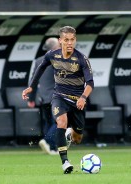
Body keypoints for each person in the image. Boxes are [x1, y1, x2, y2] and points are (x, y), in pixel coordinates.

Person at [22, 26, 94, 174]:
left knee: (78, 138)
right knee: (61, 122)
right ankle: (65, 162)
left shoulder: (82, 59)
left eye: (72, 40)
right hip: (59, 97)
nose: (69, 43)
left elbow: (90, 83)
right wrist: (31, 87)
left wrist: (83, 97)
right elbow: (40, 69)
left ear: (75, 40)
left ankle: (70, 134)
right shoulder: (52, 55)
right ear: (60, 40)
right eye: (66, 40)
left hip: (77, 101)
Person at [27, 37, 61, 155]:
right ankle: (47, 141)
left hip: (43, 98)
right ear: (56, 47)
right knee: (59, 122)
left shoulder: (38, 60)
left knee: (49, 122)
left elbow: (33, 81)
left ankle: (52, 148)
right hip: (55, 97)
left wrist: (31, 99)